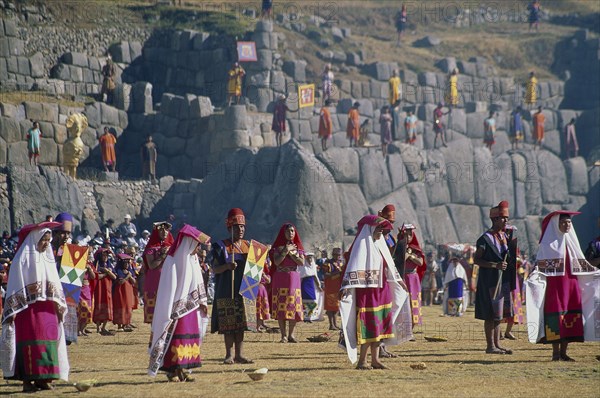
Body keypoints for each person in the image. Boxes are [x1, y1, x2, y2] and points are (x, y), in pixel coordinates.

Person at [1, 221, 69, 392]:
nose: (46, 243)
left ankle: (44, 378)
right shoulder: (21, 259)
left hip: (47, 309)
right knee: (31, 343)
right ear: (35, 239)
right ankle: (27, 381)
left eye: (48, 240)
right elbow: (15, 285)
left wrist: (59, 306)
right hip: (27, 310)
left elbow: (55, 283)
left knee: (48, 342)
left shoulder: (48, 258)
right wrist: (13, 310)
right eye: (43, 240)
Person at [339, 215, 411, 370]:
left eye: (382, 228)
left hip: (382, 289)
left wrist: (399, 281)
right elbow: (352, 267)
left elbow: (390, 265)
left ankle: (375, 360)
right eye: (379, 228)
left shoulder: (381, 244)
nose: (381, 231)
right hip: (366, 292)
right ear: (370, 228)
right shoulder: (361, 245)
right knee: (369, 324)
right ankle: (362, 361)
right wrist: (345, 287)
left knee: (381, 323)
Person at [526, 211, 599, 360]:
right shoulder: (548, 244)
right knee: (555, 316)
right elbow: (540, 265)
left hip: (571, 284)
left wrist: (595, 272)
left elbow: (581, 263)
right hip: (555, 286)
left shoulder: (572, 242)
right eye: (564, 222)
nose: (567, 225)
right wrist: (533, 275)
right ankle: (555, 353)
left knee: (570, 316)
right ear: (556, 225)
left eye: (569, 222)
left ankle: (564, 352)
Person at [149, 225, 210, 381]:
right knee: (177, 339)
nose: (198, 248)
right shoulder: (172, 260)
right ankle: (172, 371)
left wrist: (202, 301)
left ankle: (183, 370)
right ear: (188, 242)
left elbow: (198, 282)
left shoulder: (193, 259)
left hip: (192, 308)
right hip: (176, 310)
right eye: (196, 244)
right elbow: (168, 288)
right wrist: (171, 308)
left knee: (190, 338)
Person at [210, 208, 254, 364]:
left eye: (242, 227)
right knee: (228, 323)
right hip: (225, 289)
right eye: (236, 227)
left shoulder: (249, 247)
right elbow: (214, 268)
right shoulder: (220, 246)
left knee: (241, 324)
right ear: (230, 228)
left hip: (243, 290)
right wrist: (226, 267)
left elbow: (254, 272)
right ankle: (228, 355)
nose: (240, 230)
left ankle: (239, 354)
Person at [474, 201, 517, 355]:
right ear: (494, 220)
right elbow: (477, 260)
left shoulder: (505, 237)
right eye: (503, 218)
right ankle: (490, 346)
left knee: (499, 315)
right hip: (489, 281)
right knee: (490, 315)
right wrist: (494, 265)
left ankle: (498, 345)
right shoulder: (485, 239)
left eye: (506, 218)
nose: (506, 221)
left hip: (503, 280)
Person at [270, 223, 305, 343]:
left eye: (292, 231)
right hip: (280, 278)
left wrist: (292, 253)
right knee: (282, 306)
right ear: (283, 233)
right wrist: (285, 250)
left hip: (294, 278)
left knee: (293, 306)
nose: (290, 233)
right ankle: (283, 335)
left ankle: (291, 335)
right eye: (288, 231)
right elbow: (277, 262)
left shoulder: (298, 248)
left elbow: (301, 262)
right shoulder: (277, 248)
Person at [142, 221, 174, 324]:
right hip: (154, 281)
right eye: (161, 230)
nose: (164, 232)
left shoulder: (172, 247)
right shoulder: (151, 248)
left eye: (166, 230)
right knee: (155, 313)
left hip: (169, 280)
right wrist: (163, 255)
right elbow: (151, 266)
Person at [397, 224, 426, 328]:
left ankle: (411, 329)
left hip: (413, 279)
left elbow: (420, 262)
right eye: (406, 235)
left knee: (413, 302)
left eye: (410, 235)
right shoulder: (398, 248)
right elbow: (398, 262)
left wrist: (411, 256)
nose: (408, 237)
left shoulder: (416, 249)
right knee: (402, 301)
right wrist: (404, 254)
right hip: (402, 278)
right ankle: (401, 327)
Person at [93, 248, 117, 335]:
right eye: (104, 255)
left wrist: (106, 271)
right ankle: (98, 327)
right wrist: (106, 273)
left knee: (108, 306)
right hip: (99, 289)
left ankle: (104, 327)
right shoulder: (96, 265)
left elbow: (114, 277)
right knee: (98, 304)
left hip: (107, 289)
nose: (106, 257)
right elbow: (96, 277)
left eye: (107, 255)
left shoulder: (109, 264)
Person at [113, 253, 136, 332]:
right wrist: (127, 277)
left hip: (128, 291)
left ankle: (126, 324)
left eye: (128, 263)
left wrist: (130, 276)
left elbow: (134, 281)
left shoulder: (129, 271)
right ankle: (120, 325)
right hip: (120, 292)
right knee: (121, 306)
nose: (127, 265)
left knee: (127, 307)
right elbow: (120, 281)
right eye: (125, 263)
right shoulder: (118, 271)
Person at [322, 247, 344, 330]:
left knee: (337, 307)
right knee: (330, 307)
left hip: (339, 287)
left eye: (339, 255)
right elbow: (326, 274)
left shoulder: (341, 263)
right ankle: (331, 324)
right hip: (330, 287)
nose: (338, 256)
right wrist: (338, 272)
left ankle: (335, 324)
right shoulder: (327, 263)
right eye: (336, 255)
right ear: (333, 255)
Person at [77, 247, 96, 336]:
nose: (89, 255)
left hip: (87, 288)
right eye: (88, 254)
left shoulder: (90, 265)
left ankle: (83, 329)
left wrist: (89, 269)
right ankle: (77, 330)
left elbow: (93, 277)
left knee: (88, 309)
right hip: (79, 289)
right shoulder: (77, 263)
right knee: (80, 309)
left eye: (90, 254)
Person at [299, 252, 323, 322]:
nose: (309, 259)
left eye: (311, 257)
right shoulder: (303, 266)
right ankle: (304, 317)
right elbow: (300, 275)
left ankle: (309, 317)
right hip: (304, 284)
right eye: (308, 257)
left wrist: (318, 285)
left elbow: (315, 276)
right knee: (306, 301)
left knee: (312, 302)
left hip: (311, 284)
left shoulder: (313, 266)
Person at [256, 253, 271, 332]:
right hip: (256, 289)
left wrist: (264, 275)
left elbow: (268, 281)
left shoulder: (266, 272)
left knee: (262, 307)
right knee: (258, 308)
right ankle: (257, 326)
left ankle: (262, 323)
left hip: (263, 289)